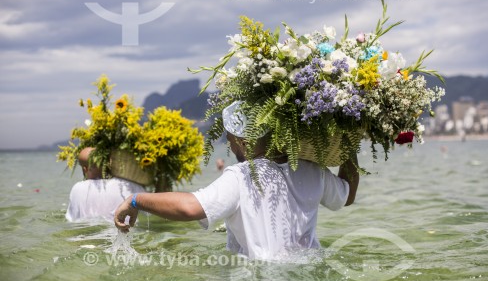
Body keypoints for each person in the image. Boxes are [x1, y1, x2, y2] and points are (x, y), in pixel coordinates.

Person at [114, 102, 359, 260]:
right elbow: (346, 197)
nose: (232, 149)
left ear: (245, 142)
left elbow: (190, 207)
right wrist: (349, 146)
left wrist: (136, 199)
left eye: (231, 142)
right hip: (305, 277)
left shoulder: (242, 176)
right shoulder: (313, 171)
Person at [66, 147, 145, 223]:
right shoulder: (128, 185)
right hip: (122, 234)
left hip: (86, 235)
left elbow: (71, 220)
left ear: (84, 169)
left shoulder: (77, 188)